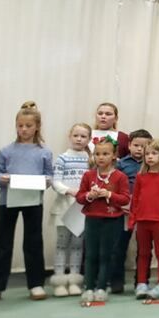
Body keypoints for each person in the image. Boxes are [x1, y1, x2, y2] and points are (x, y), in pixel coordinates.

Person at [0, 102, 54, 304]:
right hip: (8, 200)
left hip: (32, 201)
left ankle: (36, 283)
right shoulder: (6, 151)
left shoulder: (44, 152)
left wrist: (46, 182)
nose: (23, 129)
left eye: (28, 126)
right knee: (3, 243)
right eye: (20, 125)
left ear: (36, 127)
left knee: (33, 242)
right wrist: (1, 179)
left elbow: (49, 176)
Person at [75, 138, 130, 303]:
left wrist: (109, 195)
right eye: (97, 154)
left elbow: (125, 199)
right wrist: (89, 196)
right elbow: (79, 197)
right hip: (92, 219)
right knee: (91, 254)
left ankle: (101, 286)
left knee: (106, 255)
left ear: (114, 156)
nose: (101, 157)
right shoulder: (88, 175)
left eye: (105, 154)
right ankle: (89, 287)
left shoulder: (120, 177)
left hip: (112, 221)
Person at [129, 139, 159, 302]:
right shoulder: (141, 176)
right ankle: (141, 283)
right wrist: (132, 218)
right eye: (147, 153)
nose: (149, 157)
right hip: (142, 221)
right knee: (142, 253)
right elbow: (135, 199)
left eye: (154, 153)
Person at [49, 123, 92, 298]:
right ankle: (59, 280)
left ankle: (74, 280)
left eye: (83, 136)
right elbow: (55, 181)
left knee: (77, 244)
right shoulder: (62, 158)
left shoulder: (91, 159)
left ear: (89, 139)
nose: (79, 139)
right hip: (63, 206)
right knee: (61, 244)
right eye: (76, 135)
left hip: (81, 208)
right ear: (70, 136)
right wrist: (68, 190)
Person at [109, 129, 150, 294]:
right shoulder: (121, 164)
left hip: (146, 212)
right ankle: (116, 281)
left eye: (144, 146)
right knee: (119, 246)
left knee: (144, 248)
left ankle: (142, 281)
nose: (140, 149)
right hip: (124, 212)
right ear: (129, 145)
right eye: (136, 145)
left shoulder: (153, 164)